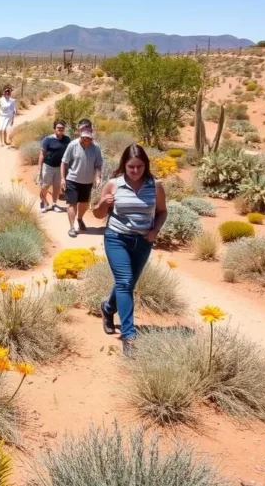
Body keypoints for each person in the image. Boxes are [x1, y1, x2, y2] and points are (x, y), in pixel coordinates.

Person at [92, 144, 168, 356]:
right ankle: (129, 336)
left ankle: (107, 309)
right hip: (117, 238)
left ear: (146, 166)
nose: (135, 171)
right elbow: (97, 214)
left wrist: (154, 232)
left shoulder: (155, 186)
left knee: (128, 283)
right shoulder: (113, 185)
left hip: (143, 242)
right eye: (131, 167)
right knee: (125, 283)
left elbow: (162, 211)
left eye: (140, 166)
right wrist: (103, 205)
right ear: (124, 165)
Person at [60, 120, 103, 238]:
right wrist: (63, 179)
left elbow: (98, 164)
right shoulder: (73, 145)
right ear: (80, 136)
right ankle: (72, 227)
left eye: (89, 138)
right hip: (72, 179)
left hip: (87, 181)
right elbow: (64, 162)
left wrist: (98, 176)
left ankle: (80, 219)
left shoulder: (96, 147)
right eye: (84, 138)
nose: (86, 140)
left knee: (84, 203)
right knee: (72, 203)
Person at [37, 120, 70, 213]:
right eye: (58, 128)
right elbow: (42, 153)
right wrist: (39, 167)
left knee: (56, 186)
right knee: (45, 186)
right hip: (48, 166)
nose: (60, 129)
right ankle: (43, 203)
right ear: (54, 129)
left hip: (60, 167)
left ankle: (54, 204)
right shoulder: (48, 139)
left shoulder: (67, 139)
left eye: (62, 128)